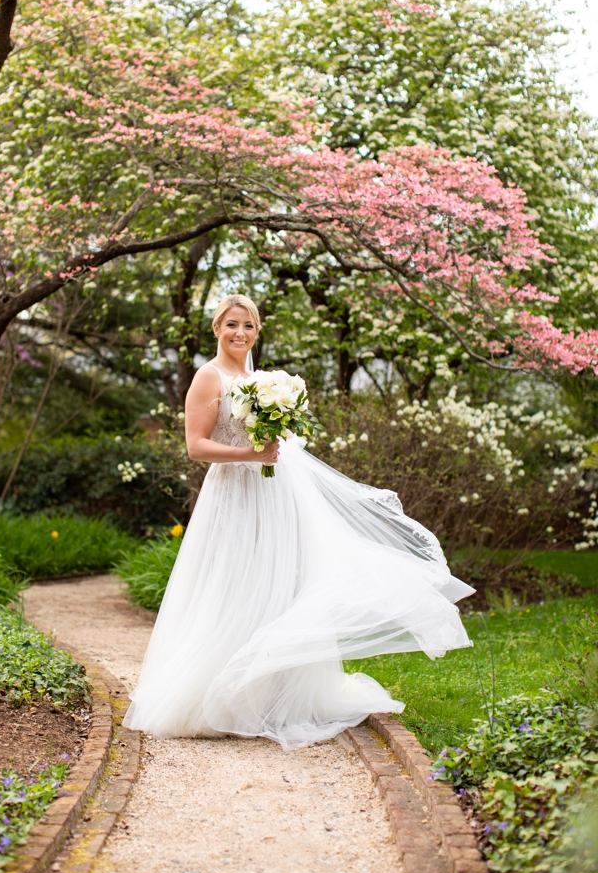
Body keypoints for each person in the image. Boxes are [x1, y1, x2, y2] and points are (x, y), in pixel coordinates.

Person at [123, 294, 475, 749]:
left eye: (248, 326)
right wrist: (248, 454)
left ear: (256, 331)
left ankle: (272, 696)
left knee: (277, 585)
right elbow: (196, 446)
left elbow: (275, 440)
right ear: (216, 328)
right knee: (234, 584)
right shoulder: (208, 377)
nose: (240, 334)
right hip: (232, 496)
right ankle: (216, 697)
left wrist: (276, 442)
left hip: (271, 495)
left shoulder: (258, 380)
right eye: (232, 324)